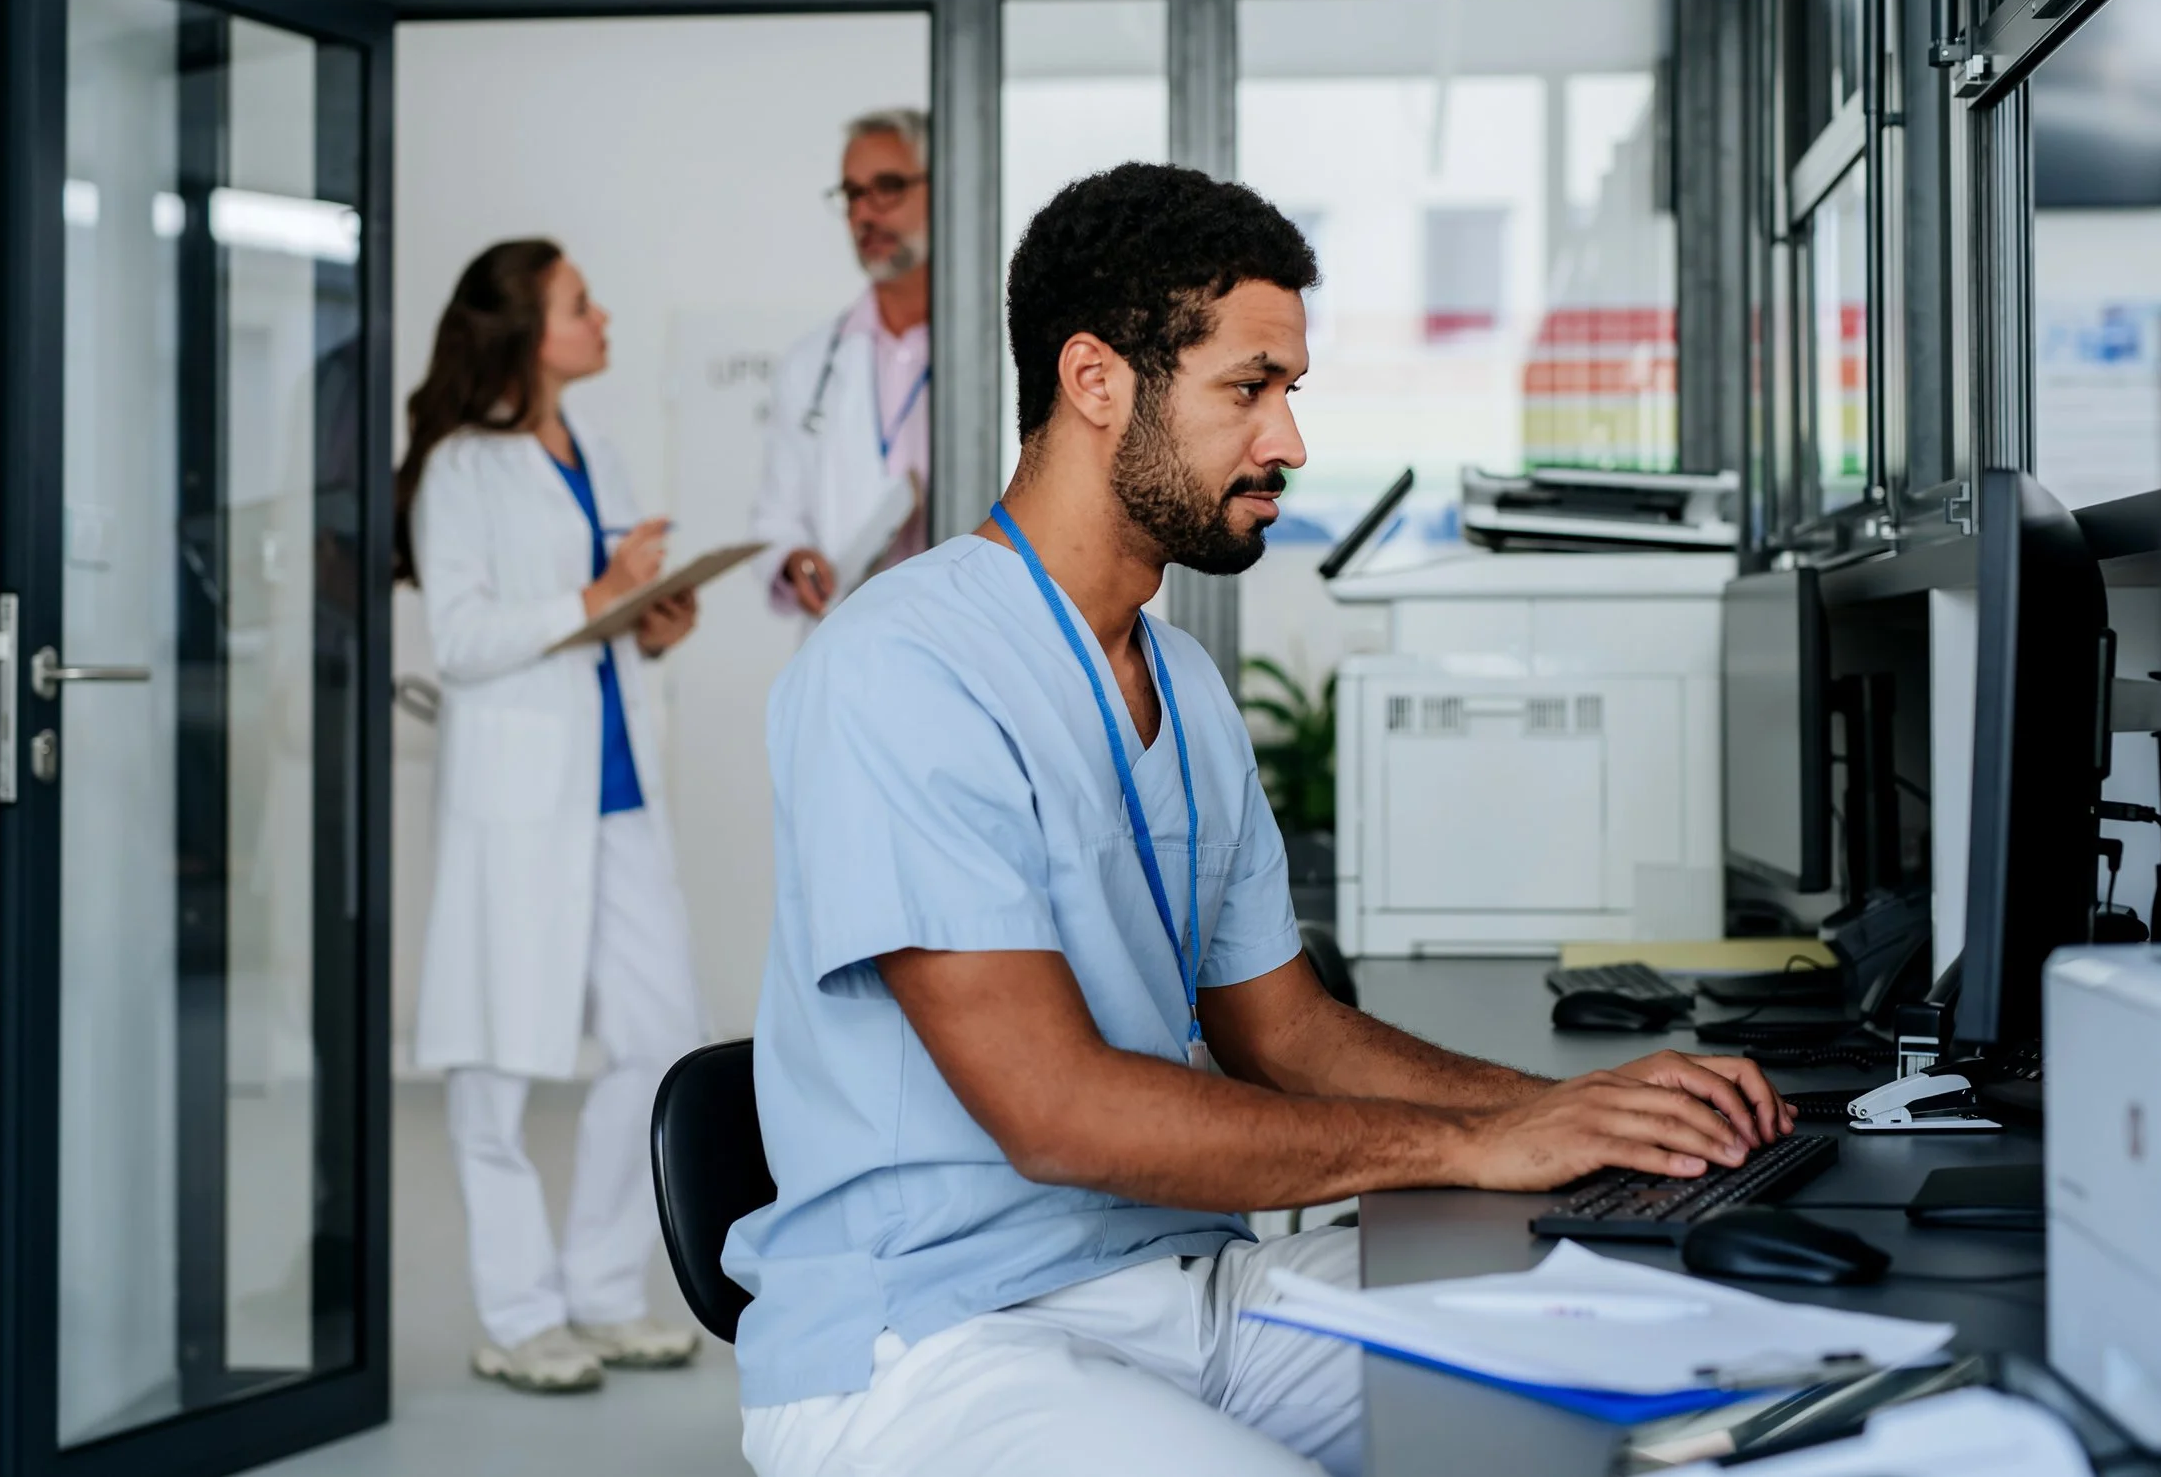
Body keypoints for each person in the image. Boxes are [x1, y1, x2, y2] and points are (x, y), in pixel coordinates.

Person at [725, 164, 1796, 1476]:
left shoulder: (1181, 682)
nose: (1287, 440)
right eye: (1250, 388)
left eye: (1291, 391)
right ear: (1096, 379)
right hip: (935, 1340)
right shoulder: (901, 665)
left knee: (1673, 1357)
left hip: (1184, 1283)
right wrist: (1474, 1139)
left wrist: (1578, 1113)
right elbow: (1057, 1112)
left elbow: (1282, 1029)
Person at [397, 239, 709, 1394]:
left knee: (659, 1033)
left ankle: (601, 1289)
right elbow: (466, 638)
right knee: (492, 1058)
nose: (602, 315)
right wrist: (594, 594)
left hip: (617, 789)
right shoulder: (457, 470)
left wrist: (651, 618)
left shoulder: (599, 449)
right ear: (530, 330)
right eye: (583, 303)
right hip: (516, 801)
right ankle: (519, 1314)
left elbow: (607, 621)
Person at [748, 106, 933, 620]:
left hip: (970, 635)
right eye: (853, 195)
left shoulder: (996, 348)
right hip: (854, 638)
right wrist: (792, 560)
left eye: (888, 187)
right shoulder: (810, 364)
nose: (864, 215)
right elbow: (773, 521)